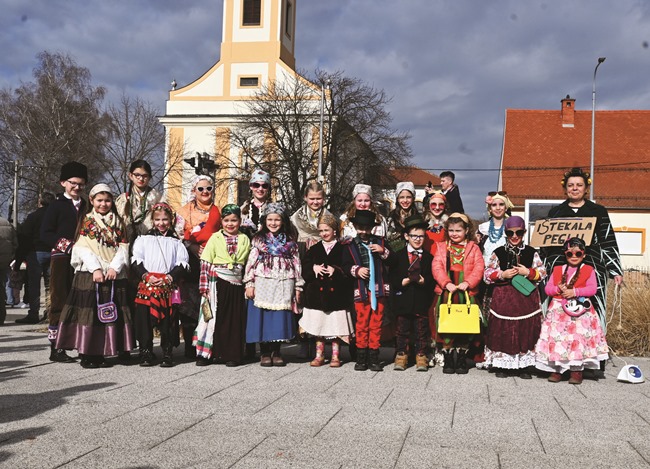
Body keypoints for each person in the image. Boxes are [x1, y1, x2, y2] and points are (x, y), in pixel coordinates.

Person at [55, 184, 134, 368]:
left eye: (107, 200)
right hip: (90, 275)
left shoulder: (118, 222)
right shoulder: (87, 221)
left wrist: (114, 267)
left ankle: (104, 351)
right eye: (99, 200)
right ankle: (88, 353)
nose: (104, 204)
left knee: (109, 313)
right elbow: (82, 247)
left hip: (113, 274)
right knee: (89, 314)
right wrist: (96, 268)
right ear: (92, 201)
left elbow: (123, 247)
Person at [544, 167, 623, 337]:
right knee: (559, 307)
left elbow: (607, 240)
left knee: (591, 308)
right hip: (561, 266)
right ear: (565, 188)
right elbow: (546, 244)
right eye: (571, 185)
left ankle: (593, 352)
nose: (574, 188)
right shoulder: (555, 212)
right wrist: (544, 268)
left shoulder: (598, 211)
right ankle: (561, 350)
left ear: (586, 188)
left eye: (579, 185)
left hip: (591, 265)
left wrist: (615, 269)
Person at [535, 237, 608, 385]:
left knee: (577, 339)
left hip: (580, 311)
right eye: (570, 254)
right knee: (558, 339)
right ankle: (556, 369)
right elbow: (548, 289)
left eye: (578, 253)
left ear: (584, 255)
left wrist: (575, 292)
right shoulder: (557, 270)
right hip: (558, 311)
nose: (574, 257)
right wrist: (557, 289)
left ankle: (576, 370)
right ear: (565, 254)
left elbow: (592, 288)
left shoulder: (588, 270)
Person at [483, 216, 546, 379]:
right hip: (503, 299)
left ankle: (524, 365)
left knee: (525, 330)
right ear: (506, 233)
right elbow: (487, 274)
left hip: (526, 299)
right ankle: (502, 365)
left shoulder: (532, 252)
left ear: (524, 232)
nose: (515, 236)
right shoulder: (498, 253)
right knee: (502, 330)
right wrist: (501, 274)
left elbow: (543, 273)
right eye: (511, 233)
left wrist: (529, 272)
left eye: (518, 232)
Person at [244, 203, 303, 367]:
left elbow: (297, 264)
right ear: (265, 221)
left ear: (283, 221)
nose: (273, 223)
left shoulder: (290, 241)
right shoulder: (258, 240)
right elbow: (251, 262)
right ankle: (264, 351)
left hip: (284, 281)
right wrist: (249, 283)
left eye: (277, 219)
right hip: (263, 281)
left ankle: (276, 351)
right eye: (270, 219)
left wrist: (298, 286)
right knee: (263, 315)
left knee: (279, 317)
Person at [40, 161, 88, 363]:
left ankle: (80, 343)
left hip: (84, 260)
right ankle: (56, 347)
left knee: (81, 300)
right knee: (60, 299)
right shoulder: (56, 206)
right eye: (73, 183)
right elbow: (45, 233)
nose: (77, 187)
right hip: (62, 258)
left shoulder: (86, 205)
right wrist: (66, 245)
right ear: (63, 183)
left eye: (81, 184)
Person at [131, 203, 189, 367]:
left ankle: (167, 352)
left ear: (171, 220)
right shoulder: (143, 239)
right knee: (144, 320)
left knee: (168, 322)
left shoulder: (176, 242)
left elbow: (182, 262)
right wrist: (146, 276)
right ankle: (146, 352)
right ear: (152, 220)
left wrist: (170, 277)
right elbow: (136, 259)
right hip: (148, 284)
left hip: (166, 285)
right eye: (157, 219)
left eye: (165, 219)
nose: (161, 223)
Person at [194, 204, 251, 367]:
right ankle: (210, 353)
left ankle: (232, 354)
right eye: (226, 220)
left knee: (233, 319)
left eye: (234, 220)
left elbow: (247, 263)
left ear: (240, 221)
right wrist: (204, 287)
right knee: (213, 317)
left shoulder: (244, 239)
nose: (230, 224)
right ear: (221, 221)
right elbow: (205, 262)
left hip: (236, 283)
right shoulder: (215, 238)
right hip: (217, 282)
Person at [342, 209, 395, 372]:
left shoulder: (381, 242)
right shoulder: (349, 245)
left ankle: (374, 356)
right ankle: (361, 357)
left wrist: (383, 252)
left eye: (367, 228)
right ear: (355, 227)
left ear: (372, 228)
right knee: (362, 323)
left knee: (376, 323)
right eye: (360, 228)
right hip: (361, 290)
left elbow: (394, 260)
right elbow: (344, 265)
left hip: (378, 289)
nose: (363, 231)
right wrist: (356, 270)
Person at [175, 175, 222, 358]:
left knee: (210, 301)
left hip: (213, 260)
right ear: (194, 191)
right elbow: (178, 236)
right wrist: (192, 246)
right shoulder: (183, 212)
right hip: (191, 261)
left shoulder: (218, 212)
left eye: (208, 189)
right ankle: (189, 344)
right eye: (200, 189)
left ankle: (209, 341)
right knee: (190, 303)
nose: (204, 192)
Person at [432, 213, 484, 375]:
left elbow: (479, 267)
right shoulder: (442, 247)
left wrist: (468, 283)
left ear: (466, 230)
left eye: (458, 230)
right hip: (448, 292)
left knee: (465, 323)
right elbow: (437, 267)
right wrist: (446, 283)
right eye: (451, 230)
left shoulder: (473, 248)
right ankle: (448, 356)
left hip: (465, 292)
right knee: (447, 323)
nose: (455, 234)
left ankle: (461, 356)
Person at [299, 213, 353, 367]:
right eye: (321, 230)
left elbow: (347, 268)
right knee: (319, 326)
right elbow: (304, 267)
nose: (323, 233)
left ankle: (336, 355)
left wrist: (336, 270)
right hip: (316, 295)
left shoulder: (343, 249)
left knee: (335, 326)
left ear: (334, 230)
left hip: (336, 295)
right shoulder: (314, 249)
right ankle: (319, 354)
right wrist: (312, 267)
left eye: (327, 230)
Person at [390, 215, 434, 372]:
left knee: (421, 330)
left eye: (421, 236)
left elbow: (431, 277)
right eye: (414, 236)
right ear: (406, 236)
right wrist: (400, 282)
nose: (418, 239)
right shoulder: (398, 255)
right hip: (403, 298)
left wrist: (424, 281)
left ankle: (421, 355)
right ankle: (401, 354)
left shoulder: (428, 257)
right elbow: (392, 276)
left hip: (421, 299)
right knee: (402, 329)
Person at [15, 192, 55, 324]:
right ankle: (50, 312)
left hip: (35, 252)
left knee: (34, 285)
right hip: (53, 252)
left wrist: (18, 260)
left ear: (40, 202)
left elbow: (24, 239)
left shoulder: (33, 217)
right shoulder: (56, 217)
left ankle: (33, 313)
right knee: (51, 285)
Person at [115, 160, 164, 245]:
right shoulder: (123, 199)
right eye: (137, 175)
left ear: (149, 177)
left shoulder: (158, 198)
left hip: (151, 242)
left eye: (145, 176)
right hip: (127, 242)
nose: (141, 178)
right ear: (130, 175)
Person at [290, 181, 333, 256]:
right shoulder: (296, 217)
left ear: (323, 198)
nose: (315, 202)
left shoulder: (330, 217)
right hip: (301, 253)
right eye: (312, 199)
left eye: (318, 198)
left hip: (323, 254)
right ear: (305, 198)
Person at [477, 192, 513, 265]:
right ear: (490, 209)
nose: (498, 208)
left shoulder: (511, 228)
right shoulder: (482, 229)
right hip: (484, 270)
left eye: (501, 204)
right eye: (494, 205)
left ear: (506, 208)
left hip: (505, 271)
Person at [386, 181, 419, 253]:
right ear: (397, 199)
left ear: (413, 199)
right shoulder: (392, 217)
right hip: (395, 255)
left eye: (408, 197)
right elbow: (388, 239)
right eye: (402, 197)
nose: (405, 200)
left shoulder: (418, 217)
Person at [241, 169, 272, 238]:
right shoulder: (242, 209)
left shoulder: (273, 209)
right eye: (256, 185)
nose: (260, 189)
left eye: (264, 186)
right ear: (251, 187)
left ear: (268, 188)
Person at [0, 216, 17, 325]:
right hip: (4, 260)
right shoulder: (7, 223)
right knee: (1, 288)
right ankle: (1, 316)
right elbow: (15, 244)